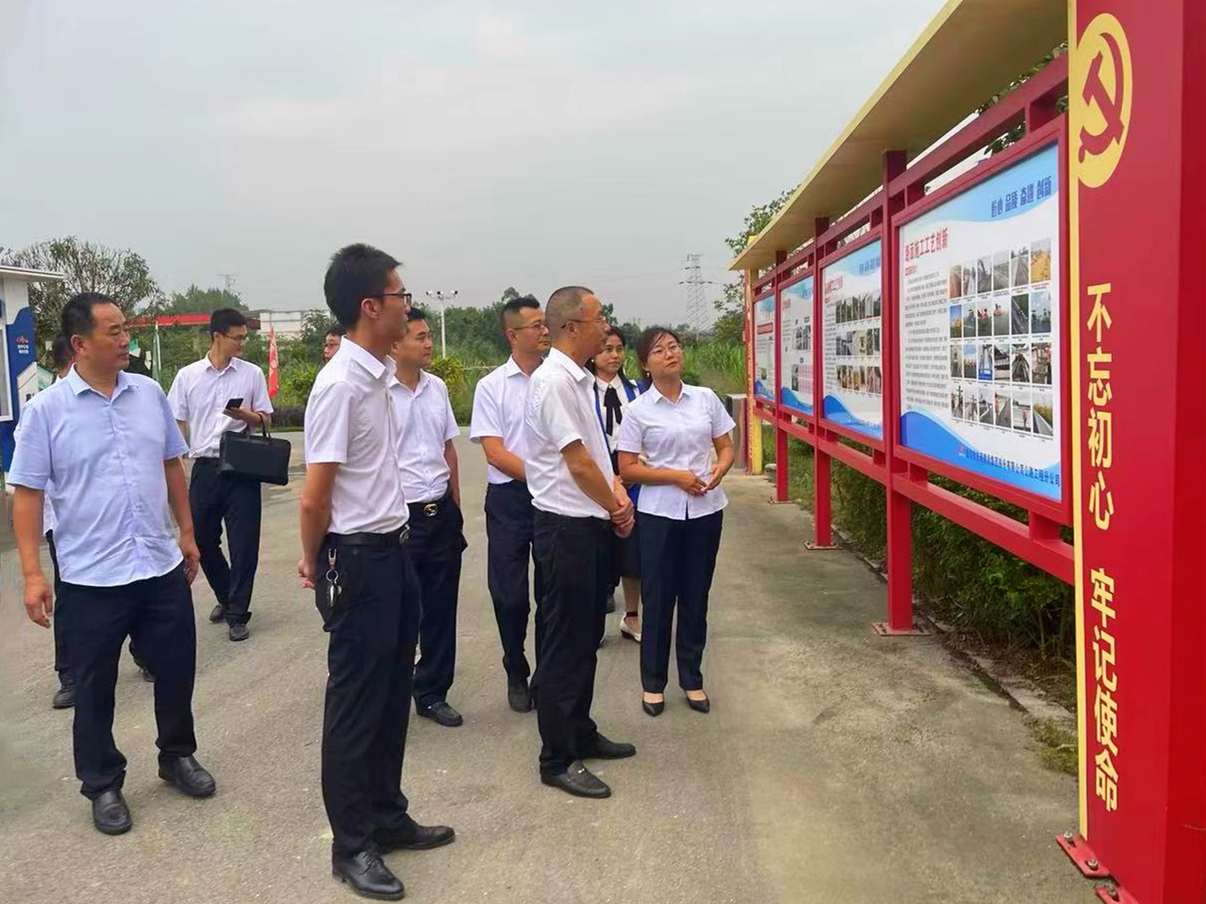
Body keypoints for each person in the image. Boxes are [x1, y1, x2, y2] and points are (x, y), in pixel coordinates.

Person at [10, 292, 213, 837]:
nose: (126, 339)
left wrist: (187, 533)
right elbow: (26, 495)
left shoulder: (148, 394)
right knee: (94, 688)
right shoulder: (45, 412)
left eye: (126, 329)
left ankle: (176, 755)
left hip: (157, 562)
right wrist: (33, 574)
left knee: (175, 670)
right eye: (114, 332)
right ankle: (102, 784)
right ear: (80, 344)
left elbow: (171, 463)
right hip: (90, 578)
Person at [299, 244, 453, 901]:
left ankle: (388, 818)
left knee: (394, 696)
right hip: (358, 557)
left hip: (395, 549)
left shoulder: (380, 377)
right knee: (357, 707)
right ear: (371, 306)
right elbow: (315, 495)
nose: (408, 305)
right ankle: (351, 843)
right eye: (400, 296)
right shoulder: (339, 386)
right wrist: (316, 561)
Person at [523, 285, 636, 799]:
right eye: (598, 318)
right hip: (564, 529)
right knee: (564, 645)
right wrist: (616, 504)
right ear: (573, 327)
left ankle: (580, 731)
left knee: (586, 636)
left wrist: (616, 495)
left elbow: (598, 452)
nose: (604, 326)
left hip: (589, 525)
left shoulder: (579, 379)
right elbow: (577, 462)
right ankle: (556, 756)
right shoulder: (552, 383)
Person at [616, 327, 735, 717]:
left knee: (696, 596)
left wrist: (718, 471)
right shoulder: (638, 410)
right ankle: (653, 683)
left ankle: (692, 678)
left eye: (674, 347)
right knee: (659, 597)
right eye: (659, 350)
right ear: (646, 365)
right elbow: (628, 469)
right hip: (659, 515)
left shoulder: (704, 399)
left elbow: (725, 446)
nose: (670, 354)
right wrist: (675, 476)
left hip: (705, 511)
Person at [168, 308, 273, 642]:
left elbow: (266, 419)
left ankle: (238, 613)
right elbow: (176, 424)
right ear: (217, 336)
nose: (243, 343)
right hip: (205, 466)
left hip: (241, 465)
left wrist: (248, 415)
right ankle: (227, 595)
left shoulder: (251, 374)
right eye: (237, 337)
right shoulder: (188, 376)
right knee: (201, 540)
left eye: (245, 337)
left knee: (244, 543)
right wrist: (174, 462)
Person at [468, 294, 550, 713]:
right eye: (535, 325)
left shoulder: (560, 379)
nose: (544, 331)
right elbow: (495, 453)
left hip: (554, 499)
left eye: (544, 323)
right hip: (510, 499)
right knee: (510, 595)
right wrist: (544, 477)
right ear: (512, 335)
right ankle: (515, 665)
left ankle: (546, 675)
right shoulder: (491, 387)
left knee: (552, 591)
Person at [390, 307, 466, 728]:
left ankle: (432, 691)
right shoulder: (378, 391)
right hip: (399, 519)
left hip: (440, 513)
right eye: (419, 336)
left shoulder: (436, 387)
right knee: (399, 612)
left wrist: (455, 503)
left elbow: (448, 448)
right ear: (395, 343)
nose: (428, 343)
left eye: (427, 336)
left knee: (440, 608)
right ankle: (392, 693)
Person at [586, 327, 643, 641]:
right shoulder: (582, 390)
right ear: (594, 353)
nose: (614, 355)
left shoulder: (636, 390)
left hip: (631, 480)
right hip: (594, 482)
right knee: (596, 555)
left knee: (632, 554)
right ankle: (593, 624)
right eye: (607, 348)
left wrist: (631, 470)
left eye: (619, 349)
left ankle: (632, 616)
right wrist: (608, 476)